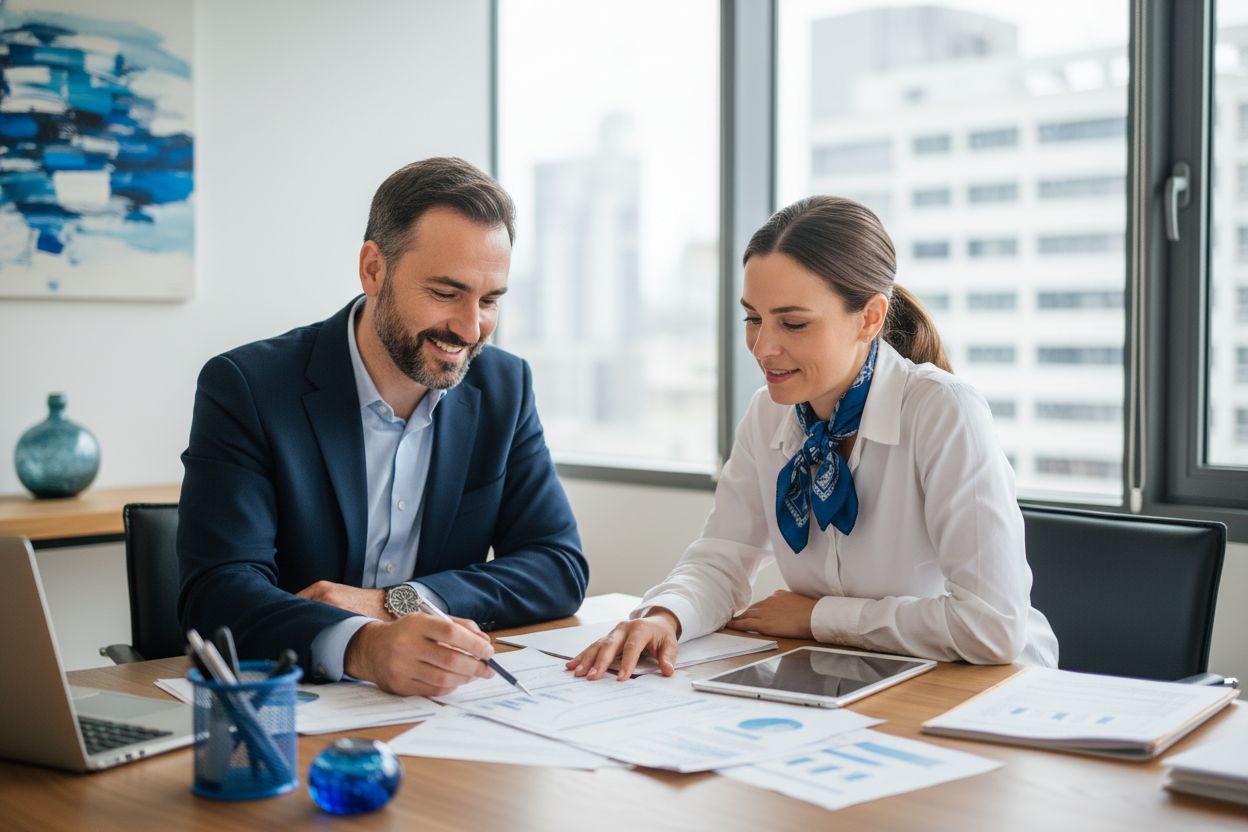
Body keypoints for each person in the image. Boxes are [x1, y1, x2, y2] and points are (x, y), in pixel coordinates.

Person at [570, 196, 1058, 681]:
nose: (763, 348)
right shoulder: (769, 414)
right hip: (854, 681)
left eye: (794, 323)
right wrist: (665, 617)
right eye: (753, 318)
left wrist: (817, 617)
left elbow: (993, 627)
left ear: (869, 318)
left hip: (985, 689)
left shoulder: (943, 410)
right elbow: (723, 557)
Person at [178, 157, 588, 696]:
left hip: (441, 710)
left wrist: (397, 602)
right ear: (374, 269)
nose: (470, 328)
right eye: (446, 293)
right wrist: (362, 645)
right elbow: (217, 592)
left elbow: (557, 566)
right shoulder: (248, 387)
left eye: (489, 301)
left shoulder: (504, 388)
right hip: (289, 702)